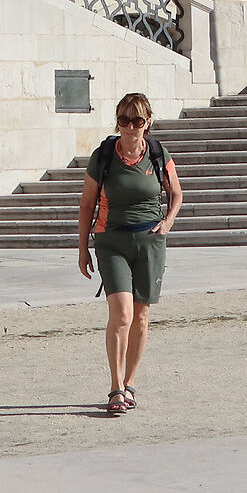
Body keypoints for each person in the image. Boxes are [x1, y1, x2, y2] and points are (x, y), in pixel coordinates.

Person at [76, 91, 180, 415]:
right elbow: (87, 204)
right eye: (125, 120)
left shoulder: (158, 154)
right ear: (117, 122)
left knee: (141, 316)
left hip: (149, 240)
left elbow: (176, 193)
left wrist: (167, 223)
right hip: (111, 240)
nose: (131, 127)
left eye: (137, 120)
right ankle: (116, 387)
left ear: (147, 123)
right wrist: (82, 248)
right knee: (121, 314)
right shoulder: (104, 156)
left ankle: (130, 383)